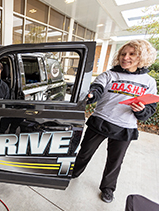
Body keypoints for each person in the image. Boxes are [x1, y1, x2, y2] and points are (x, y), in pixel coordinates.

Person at [72, 39, 157, 203]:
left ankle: (108, 189)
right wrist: (90, 95)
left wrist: (141, 110)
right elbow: (97, 88)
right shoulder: (109, 74)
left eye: (132, 54)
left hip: (125, 128)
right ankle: (74, 173)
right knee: (84, 152)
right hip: (100, 121)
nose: (125, 57)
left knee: (115, 162)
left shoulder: (149, 82)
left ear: (142, 57)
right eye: (123, 54)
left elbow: (149, 109)